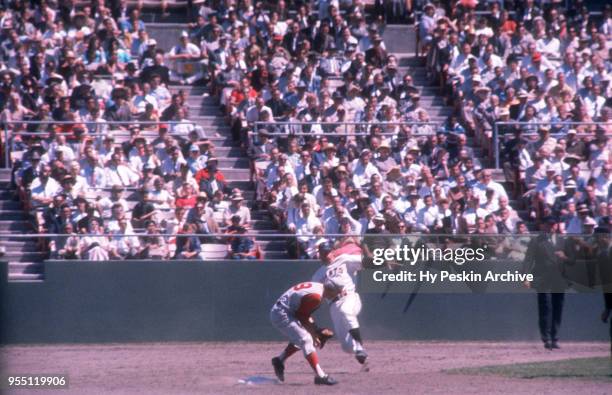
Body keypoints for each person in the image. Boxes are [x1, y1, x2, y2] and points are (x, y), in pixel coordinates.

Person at [270, 280, 341, 386]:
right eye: (337, 292)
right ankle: (320, 376)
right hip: (282, 314)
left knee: (304, 339)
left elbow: (304, 314)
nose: (338, 295)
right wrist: (314, 334)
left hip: (287, 311)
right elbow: (302, 316)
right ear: (330, 290)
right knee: (306, 339)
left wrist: (316, 331)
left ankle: (279, 360)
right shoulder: (316, 297)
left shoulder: (318, 287)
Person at [311, 242, 369, 368]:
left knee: (346, 311)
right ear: (319, 255)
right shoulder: (317, 275)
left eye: (328, 252)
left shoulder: (344, 259)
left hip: (349, 297)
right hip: (333, 305)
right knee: (347, 347)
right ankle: (362, 357)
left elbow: (366, 262)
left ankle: (359, 347)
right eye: (322, 253)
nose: (326, 255)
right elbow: (317, 295)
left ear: (333, 251)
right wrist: (328, 292)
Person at [522, 217, 569, 350]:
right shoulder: (537, 241)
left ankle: (554, 337)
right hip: (543, 279)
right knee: (546, 307)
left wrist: (564, 257)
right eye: (549, 224)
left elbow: (571, 260)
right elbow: (528, 259)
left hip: (559, 279)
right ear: (544, 226)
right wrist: (525, 276)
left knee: (557, 307)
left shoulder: (562, 240)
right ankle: (546, 337)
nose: (552, 227)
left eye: (553, 224)